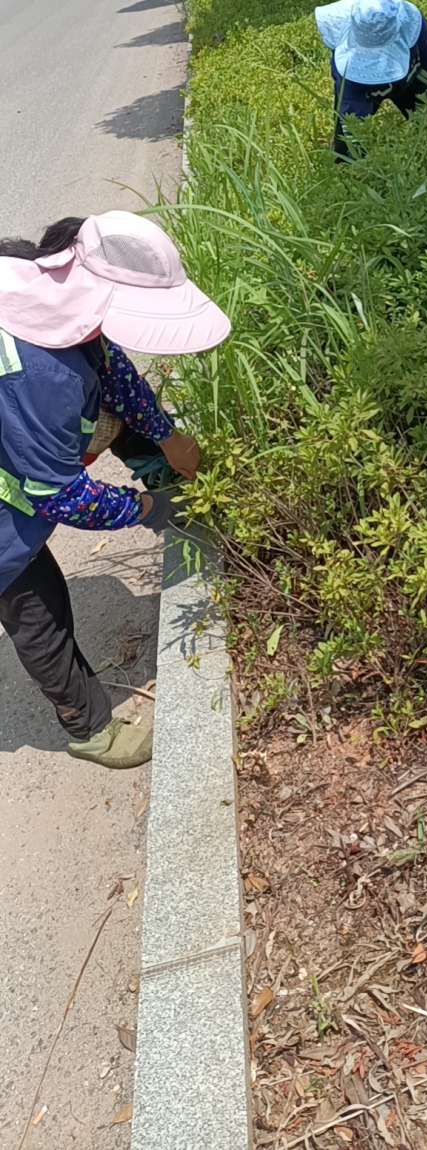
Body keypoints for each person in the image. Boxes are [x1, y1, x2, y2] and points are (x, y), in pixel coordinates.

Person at [0, 209, 230, 769]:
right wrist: (147, 508)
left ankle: (166, 481)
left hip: (24, 439)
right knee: (37, 606)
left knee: (113, 412)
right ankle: (90, 731)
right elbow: (61, 494)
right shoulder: (43, 379)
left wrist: (168, 437)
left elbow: (113, 372)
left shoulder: (44, 286)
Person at [314, 0, 427, 157]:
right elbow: (350, 113)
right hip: (357, 83)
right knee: (348, 144)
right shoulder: (348, 68)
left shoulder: (418, 29)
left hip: (411, 77)